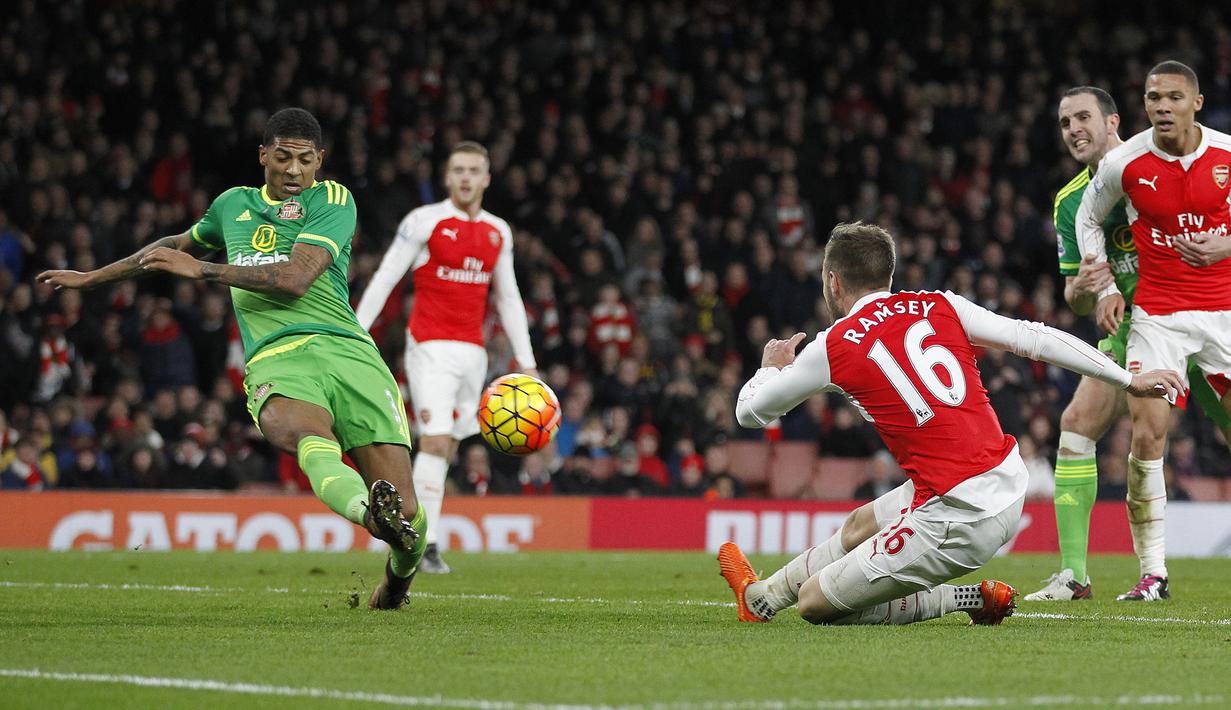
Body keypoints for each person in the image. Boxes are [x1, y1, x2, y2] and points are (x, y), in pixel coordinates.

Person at [37, 108, 426, 610]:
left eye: (305, 161)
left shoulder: (332, 198)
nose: (293, 171)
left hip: (349, 353)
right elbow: (168, 248)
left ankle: (397, 580)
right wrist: (93, 278)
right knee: (310, 436)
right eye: (282, 157)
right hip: (279, 357)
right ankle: (369, 515)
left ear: (319, 161)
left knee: (412, 515)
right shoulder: (232, 205)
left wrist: (203, 271)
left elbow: (294, 279)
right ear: (263, 155)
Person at [718, 222, 1181, 627]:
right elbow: (1034, 338)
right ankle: (759, 598)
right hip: (1004, 479)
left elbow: (749, 413)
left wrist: (770, 367)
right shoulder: (940, 305)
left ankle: (963, 599)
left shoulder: (833, 345)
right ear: (890, 276)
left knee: (814, 602)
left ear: (833, 282)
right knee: (862, 523)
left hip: (959, 515)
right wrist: (1127, 379)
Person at [1029, 86, 1231, 602]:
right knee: (1078, 424)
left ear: (1113, 120)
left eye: (1082, 118)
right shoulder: (1072, 199)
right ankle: (1078, 575)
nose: (1074, 129)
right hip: (1137, 331)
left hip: (1203, 313)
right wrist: (1081, 289)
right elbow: (1077, 297)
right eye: (1064, 122)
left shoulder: (1153, 164)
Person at [354, 141, 536, 574]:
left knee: (448, 447)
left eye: (475, 170)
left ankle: (408, 532)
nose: (467, 177)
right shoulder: (424, 221)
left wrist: (525, 361)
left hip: (473, 353)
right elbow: (386, 277)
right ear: (448, 177)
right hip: (429, 346)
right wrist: (357, 332)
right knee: (434, 440)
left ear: (487, 177)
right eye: (459, 170)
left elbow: (508, 297)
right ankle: (425, 543)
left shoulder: (498, 231)